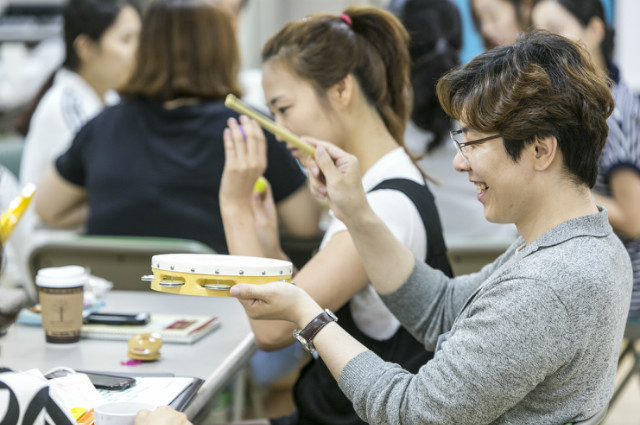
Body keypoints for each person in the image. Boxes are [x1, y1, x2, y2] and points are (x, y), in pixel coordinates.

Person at [223, 29, 631, 424]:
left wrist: (309, 317)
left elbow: (412, 413)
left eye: (472, 143)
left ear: (540, 149)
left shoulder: (546, 285)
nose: (459, 162)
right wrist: (355, 212)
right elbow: (443, 310)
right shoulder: (579, 243)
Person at [219, 5, 452, 424]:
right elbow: (301, 304)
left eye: (284, 108)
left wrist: (234, 206)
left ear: (342, 90)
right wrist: (269, 245)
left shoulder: (383, 206)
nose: (278, 127)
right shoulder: (371, 185)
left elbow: (272, 330)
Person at [34, 0, 319, 254]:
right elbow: (305, 225)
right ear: (224, 49)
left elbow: (48, 209)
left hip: (114, 295)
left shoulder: (102, 126)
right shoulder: (248, 130)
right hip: (214, 295)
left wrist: (120, 203)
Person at [531, 0, 640, 319]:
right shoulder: (582, 106)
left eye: (556, 31)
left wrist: (559, 191)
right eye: (538, 36)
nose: (546, 48)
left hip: (623, 296)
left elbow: (634, 218)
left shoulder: (616, 113)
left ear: (594, 29)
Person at [398, 0, 518, 242]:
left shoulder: (388, 113)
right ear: (459, 37)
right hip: (494, 242)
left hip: (423, 247)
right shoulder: (492, 99)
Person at [17, 0, 141, 189]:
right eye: (126, 40)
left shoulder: (112, 98)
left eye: (141, 38)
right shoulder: (65, 108)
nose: (139, 51)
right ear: (85, 47)